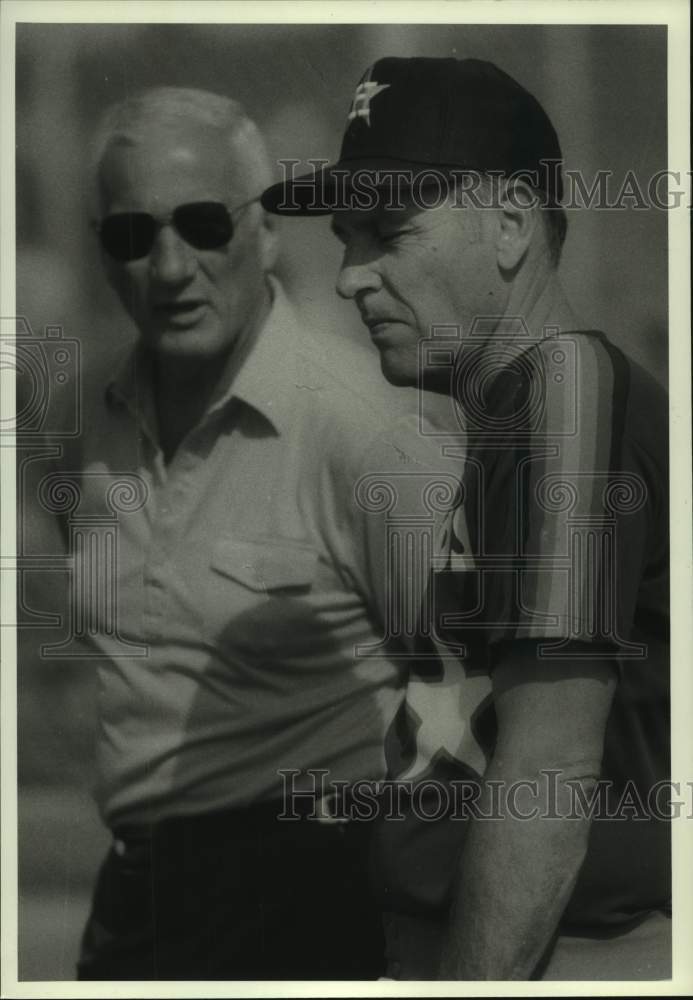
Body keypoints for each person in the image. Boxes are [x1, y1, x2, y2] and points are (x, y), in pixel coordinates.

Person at [261, 56, 671, 979]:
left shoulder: (565, 398)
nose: (347, 279)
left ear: (511, 225)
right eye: (343, 236)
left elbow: (547, 778)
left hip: (557, 955)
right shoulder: (516, 413)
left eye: (387, 233)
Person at [46, 85, 451, 980]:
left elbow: (475, 713)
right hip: (131, 905)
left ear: (265, 228)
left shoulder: (364, 433)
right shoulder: (82, 426)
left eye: (200, 223)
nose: (168, 266)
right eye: (130, 235)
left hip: (312, 905)